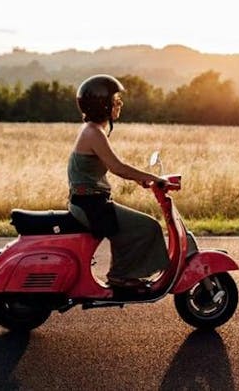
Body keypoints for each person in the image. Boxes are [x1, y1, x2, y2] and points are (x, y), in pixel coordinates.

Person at [67, 74, 169, 290]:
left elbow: (115, 166)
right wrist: (152, 178)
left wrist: (143, 179)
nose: (119, 103)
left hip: (91, 202)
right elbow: (118, 167)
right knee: (147, 226)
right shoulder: (93, 132)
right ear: (102, 105)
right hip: (90, 205)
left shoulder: (93, 130)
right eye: (115, 100)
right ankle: (120, 276)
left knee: (132, 225)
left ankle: (122, 273)